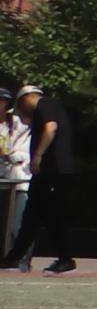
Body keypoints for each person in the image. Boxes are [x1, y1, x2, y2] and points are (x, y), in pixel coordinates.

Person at [6, 87, 75, 269]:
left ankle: (65, 258)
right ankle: (14, 257)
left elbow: (51, 128)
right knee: (33, 215)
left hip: (55, 171)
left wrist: (37, 156)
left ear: (26, 98)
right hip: (47, 172)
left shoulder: (46, 104)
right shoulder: (43, 111)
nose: (21, 111)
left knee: (51, 215)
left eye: (20, 105)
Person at [0, 85, 35, 268]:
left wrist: (11, 156)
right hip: (3, 180)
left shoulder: (21, 125)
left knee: (17, 226)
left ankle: (21, 263)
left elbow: (27, 153)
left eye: (2, 102)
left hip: (19, 180)